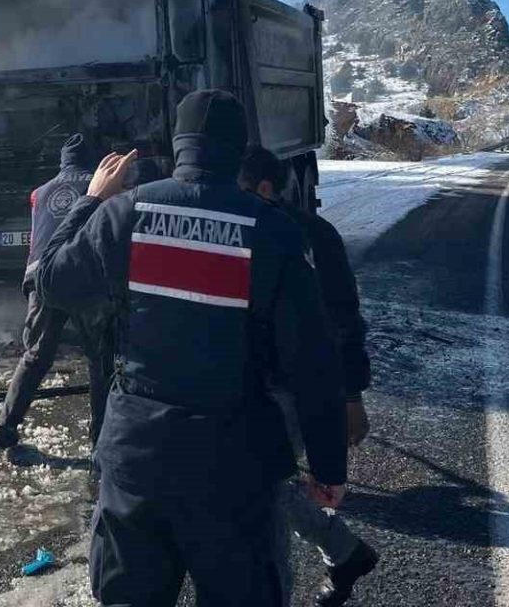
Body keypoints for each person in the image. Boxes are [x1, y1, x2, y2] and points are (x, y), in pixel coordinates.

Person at [38, 90, 348, 607]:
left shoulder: (124, 213)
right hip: (235, 467)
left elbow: (52, 281)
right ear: (239, 148)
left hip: (136, 462)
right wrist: (328, 463)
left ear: (179, 144)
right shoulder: (273, 231)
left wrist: (90, 201)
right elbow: (311, 360)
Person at [238, 145, 379, 607]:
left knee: (261, 489)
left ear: (264, 188)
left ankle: (323, 563)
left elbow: (346, 320)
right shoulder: (247, 229)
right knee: (263, 482)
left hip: (297, 391)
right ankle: (345, 553)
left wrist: (352, 398)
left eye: (239, 188)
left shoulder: (312, 237)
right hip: (260, 387)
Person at [0, 133, 112, 453]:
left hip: (41, 277)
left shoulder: (40, 192)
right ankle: (99, 438)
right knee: (99, 357)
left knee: (35, 355)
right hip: (81, 276)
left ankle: (5, 426)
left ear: (62, 161)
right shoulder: (100, 185)